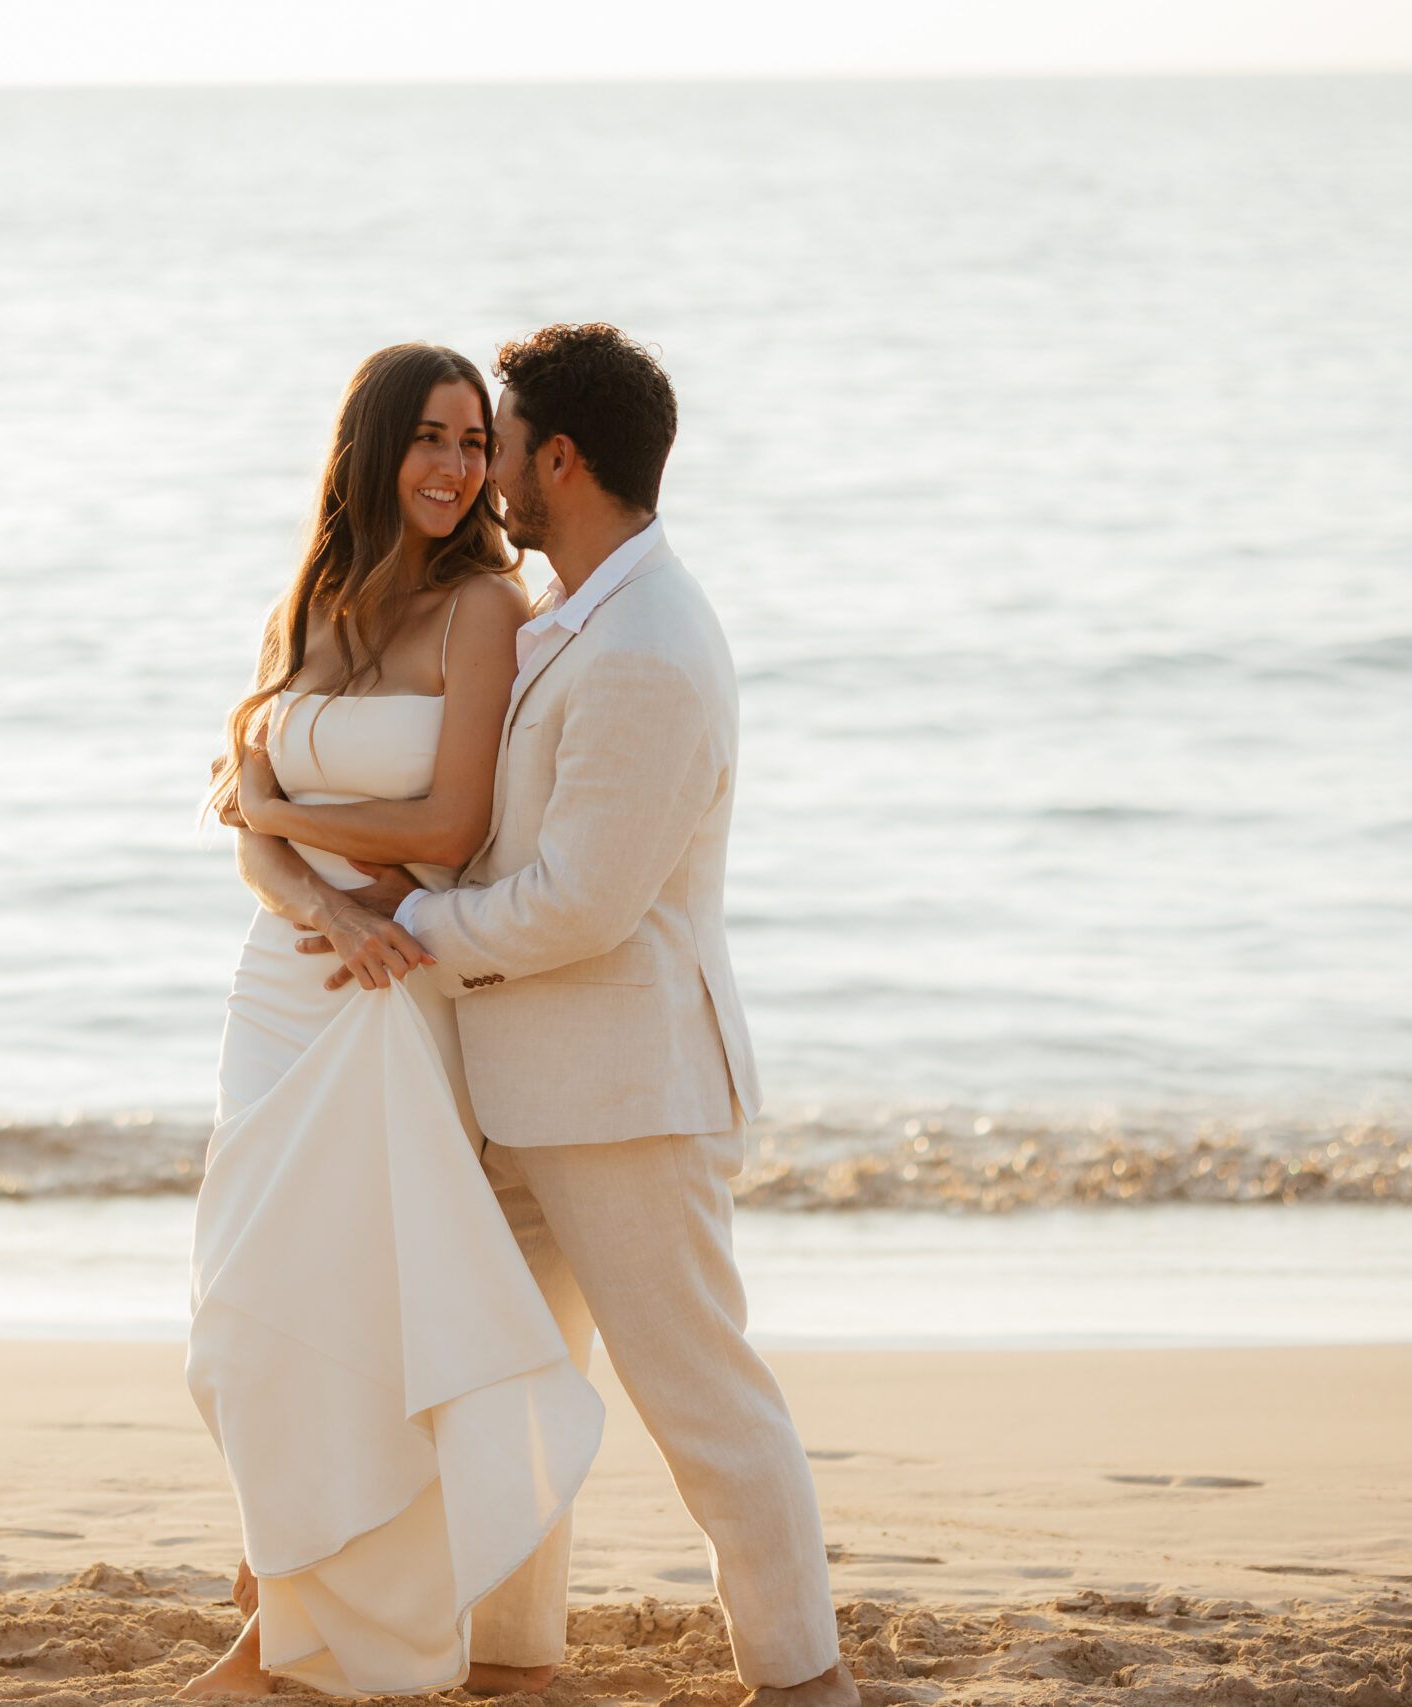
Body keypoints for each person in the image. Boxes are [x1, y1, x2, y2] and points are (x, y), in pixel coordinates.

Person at [266, 324, 857, 1707]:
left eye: (505, 444)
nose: (487, 475)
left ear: (564, 461)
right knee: (508, 1384)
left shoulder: (647, 645)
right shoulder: (568, 615)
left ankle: (801, 1674)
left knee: (700, 1397)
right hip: (523, 1091)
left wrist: (404, 933)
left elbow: (582, 903)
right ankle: (515, 1654)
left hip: (624, 1094)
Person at [181, 342, 605, 1700]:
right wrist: (318, 898)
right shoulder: (305, 605)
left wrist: (282, 815)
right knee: (247, 1325)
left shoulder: (483, 609)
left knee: (361, 1320)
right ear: (372, 448)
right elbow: (248, 852)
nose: (455, 466)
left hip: (388, 1000)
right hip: (286, 987)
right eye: (430, 437)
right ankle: (282, 1590)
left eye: (475, 442)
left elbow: (452, 824)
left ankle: (295, 1644)